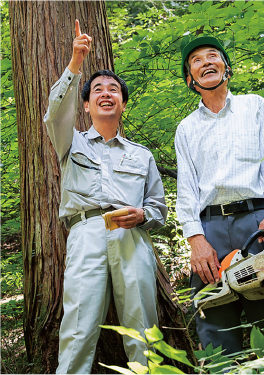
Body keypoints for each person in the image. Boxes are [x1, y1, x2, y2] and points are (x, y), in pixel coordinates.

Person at [175, 35, 264, 374]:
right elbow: (186, 190)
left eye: (213, 56)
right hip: (209, 234)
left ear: (227, 68)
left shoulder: (254, 106)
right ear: (190, 79)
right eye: (196, 60)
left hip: (258, 221)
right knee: (216, 328)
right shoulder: (186, 128)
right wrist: (195, 240)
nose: (206, 62)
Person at [44, 20, 167, 375]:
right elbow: (55, 113)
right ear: (86, 105)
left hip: (132, 238)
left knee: (143, 328)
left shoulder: (142, 155)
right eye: (97, 90)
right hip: (86, 234)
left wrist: (143, 216)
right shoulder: (71, 141)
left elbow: (159, 209)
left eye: (114, 89)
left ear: (122, 104)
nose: (106, 94)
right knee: (78, 328)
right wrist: (75, 63)